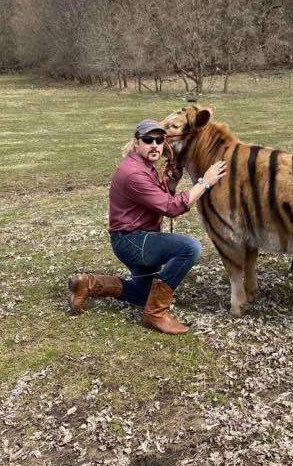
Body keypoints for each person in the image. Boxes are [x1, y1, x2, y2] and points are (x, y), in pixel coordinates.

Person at [68, 119, 226, 334]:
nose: (155, 145)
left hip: (135, 238)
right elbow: (171, 207)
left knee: (143, 294)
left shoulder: (145, 167)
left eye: (159, 140)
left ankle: (88, 284)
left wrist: (171, 182)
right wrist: (204, 182)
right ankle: (156, 314)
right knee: (190, 248)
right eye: (148, 140)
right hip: (132, 240)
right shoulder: (134, 173)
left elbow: (159, 200)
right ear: (136, 143)